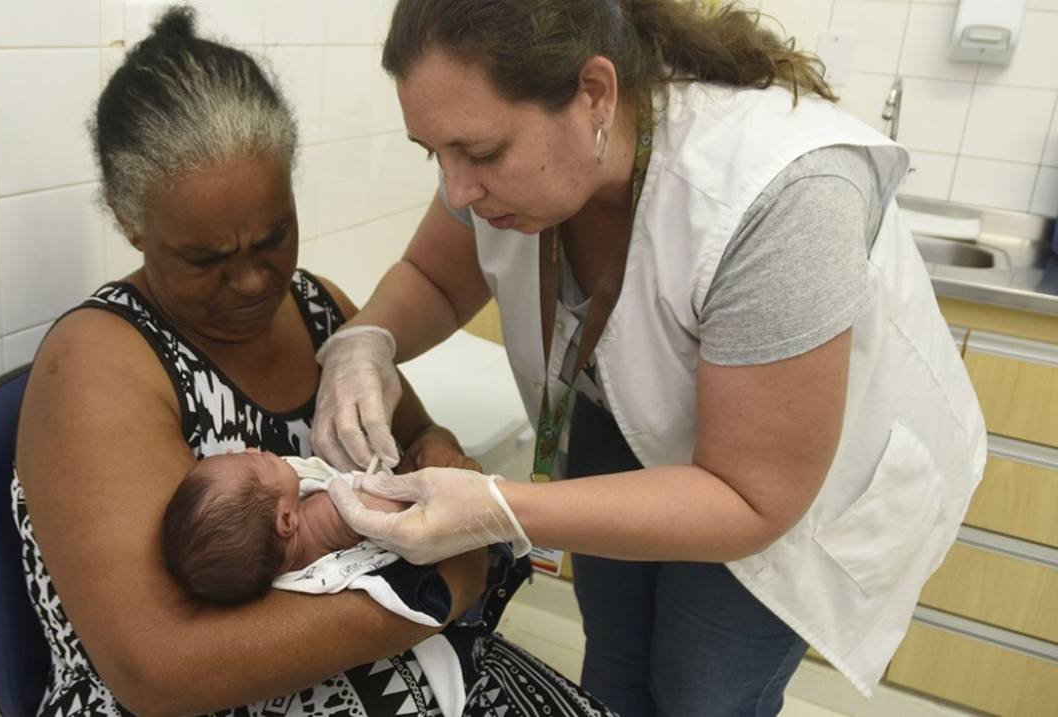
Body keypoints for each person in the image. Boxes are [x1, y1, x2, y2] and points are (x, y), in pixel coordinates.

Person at [314, 2, 988, 716]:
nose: (457, 191)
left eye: (480, 154)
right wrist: (367, 340)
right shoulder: (511, 150)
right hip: (630, 410)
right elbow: (434, 277)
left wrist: (499, 509)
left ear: (594, 94)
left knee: (703, 690)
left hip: (779, 471)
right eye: (435, 153)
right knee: (616, 660)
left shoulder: (783, 193)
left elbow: (751, 496)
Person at [12, 7, 617, 717]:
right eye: (205, 258)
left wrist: (441, 460)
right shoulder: (99, 360)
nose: (251, 281)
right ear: (129, 220)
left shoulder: (317, 306)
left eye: (274, 236)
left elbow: (421, 434)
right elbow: (161, 672)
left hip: (412, 662)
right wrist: (443, 583)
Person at [162, 450, 409, 605]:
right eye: (256, 460)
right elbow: (397, 510)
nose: (251, 449)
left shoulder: (280, 569)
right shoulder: (326, 515)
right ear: (287, 521)